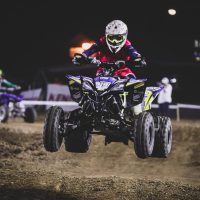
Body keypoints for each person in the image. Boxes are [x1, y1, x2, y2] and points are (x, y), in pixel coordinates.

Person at [72, 20, 146, 115]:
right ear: (107, 36)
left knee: (135, 86)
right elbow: (91, 49)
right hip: (103, 71)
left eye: (118, 38)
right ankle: (86, 111)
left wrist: (138, 59)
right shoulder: (102, 41)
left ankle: (138, 115)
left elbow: (134, 53)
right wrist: (82, 56)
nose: (114, 41)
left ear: (124, 36)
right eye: (111, 38)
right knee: (90, 89)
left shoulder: (127, 44)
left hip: (123, 71)